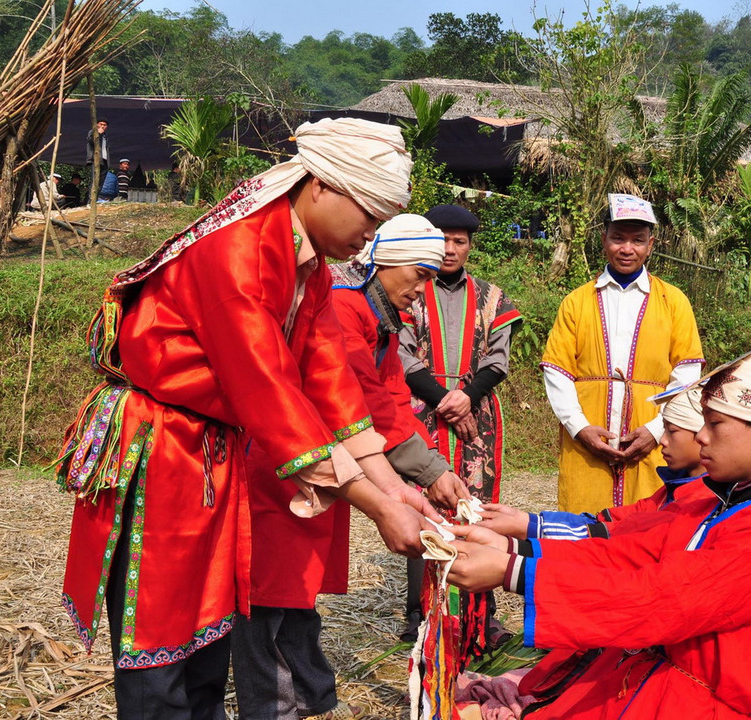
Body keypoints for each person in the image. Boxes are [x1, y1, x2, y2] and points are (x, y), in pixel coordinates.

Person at [54, 117, 439, 720]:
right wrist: (379, 505)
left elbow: (326, 373)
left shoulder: (303, 262)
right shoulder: (238, 248)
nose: (369, 237)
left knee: (210, 632)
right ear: (320, 187)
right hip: (164, 449)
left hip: (213, 450)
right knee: (161, 648)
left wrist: (394, 486)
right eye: (368, 216)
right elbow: (269, 390)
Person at [447, 352, 751, 720]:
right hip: (664, 680)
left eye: (714, 425)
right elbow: (626, 552)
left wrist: (511, 570)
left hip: (704, 705)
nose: (702, 439)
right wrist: (515, 552)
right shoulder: (723, 505)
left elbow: (656, 598)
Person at [231, 213, 470, 720]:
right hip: (289, 466)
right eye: (420, 274)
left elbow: (394, 399)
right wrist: (411, 482)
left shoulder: (379, 316)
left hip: (331, 469)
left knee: (295, 591)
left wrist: (430, 472)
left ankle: (309, 698)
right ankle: (277, 707)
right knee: (267, 596)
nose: (423, 289)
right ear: (385, 260)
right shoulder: (342, 305)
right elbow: (363, 403)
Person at [398, 203, 522, 643]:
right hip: (419, 410)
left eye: (459, 241)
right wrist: (447, 401)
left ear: (470, 246)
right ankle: (421, 613)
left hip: (477, 415)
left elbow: (498, 361)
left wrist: (466, 399)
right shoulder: (410, 289)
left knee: (477, 507)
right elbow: (402, 355)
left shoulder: (492, 297)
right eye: (442, 240)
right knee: (423, 507)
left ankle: (479, 615)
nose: (450, 250)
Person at [541, 194, 704, 513]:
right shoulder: (576, 303)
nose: (627, 248)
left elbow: (687, 374)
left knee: (647, 529)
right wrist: (580, 428)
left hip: (651, 441)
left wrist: (657, 430)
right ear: (604, 240)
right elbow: (557, 370)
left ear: (651, 244)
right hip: (586, 444)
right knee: (582, 530)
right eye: (618, 238)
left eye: (637, 240)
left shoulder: (674, 302)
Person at [474, 387, 710, 542]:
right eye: (664, 430)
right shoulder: (671, 494)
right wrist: (529, 521)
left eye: (673, 431)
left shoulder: (699, 503)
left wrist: (529, 528)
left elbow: (622, 535)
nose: (662, 441)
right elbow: (615, 521)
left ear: (704, 435)